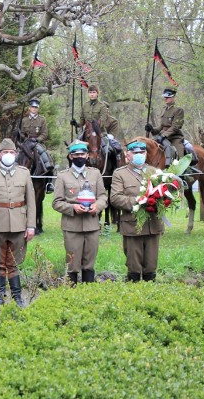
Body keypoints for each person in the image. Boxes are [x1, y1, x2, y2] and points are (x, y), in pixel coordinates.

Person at [0, 138, 36, 310]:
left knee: (15, 263)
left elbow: (31, 202)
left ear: (16, 154)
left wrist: (30, 225)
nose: (8, 155)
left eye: (11, 152)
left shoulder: (24, 173)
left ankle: (17, 298)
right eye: (5, 152)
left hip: (19, 224)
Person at [52, 139, 108, 284]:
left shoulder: (95, 174)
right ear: (70, 156)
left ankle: (87, 295)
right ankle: (72, 296)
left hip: (92, 225)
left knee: (89, 263)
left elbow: (103, 196)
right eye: (76, 154)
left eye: (83, 154)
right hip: (72, 227)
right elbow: (56, 202)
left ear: (87, 156)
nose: (80, 157)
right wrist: (72, 208)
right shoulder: (62, 176)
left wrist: (98, 206)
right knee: (72, 264)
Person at [110, 139, 165, 282]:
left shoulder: (155, 172)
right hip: (132, 225)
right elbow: (115, 198)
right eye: (135, 153)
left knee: (151, 264)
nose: (139, 155)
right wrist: (139, 200)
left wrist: (163, 199)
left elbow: (164, 194)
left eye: (142, 152)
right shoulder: (120, 174)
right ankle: (134, 292)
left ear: (146, 154)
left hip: (153, 224)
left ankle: (150, 293)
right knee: (133, 264)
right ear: (127, 155)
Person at [70, 85, 123, 162]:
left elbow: (102, 120)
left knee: (111, 149)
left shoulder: (102, 106)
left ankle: (114, 165)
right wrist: (75, 123)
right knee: (73, 147)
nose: (92, 94)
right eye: (90, 92)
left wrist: (95, 128)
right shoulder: (85, 105)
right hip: (87, 132)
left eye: (94, 92)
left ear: (97, 93)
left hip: (100, 132)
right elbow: (82, 122)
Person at [145, 87, 186, 168]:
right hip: (162, 136)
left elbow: (175, 127)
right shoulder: (164, 109)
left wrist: (163, 136)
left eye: (167, 97)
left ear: (173, 97)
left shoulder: (178, 110)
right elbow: (161, 126)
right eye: (164, 97)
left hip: (174, 137)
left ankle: (182, 172)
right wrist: (152, 129)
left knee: (179, 154)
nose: (165, 99)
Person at [19, 98, 55, 176]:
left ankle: (49, 174)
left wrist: (37, 139)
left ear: (38, 109)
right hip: (26, 142)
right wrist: (25, 138)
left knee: (44, 155)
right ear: (29, 108)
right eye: (32, 107)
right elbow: (22, 133)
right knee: (17, 154)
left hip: (37, 143)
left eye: (36, 107)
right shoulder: (24, 120)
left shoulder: (42, 120)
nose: (34, 109)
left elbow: (45, 133)